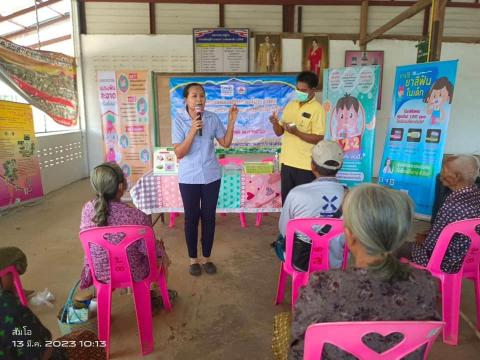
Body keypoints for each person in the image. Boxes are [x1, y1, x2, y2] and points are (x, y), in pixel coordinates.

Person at [287, 184, 439, 359]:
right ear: (400, 236)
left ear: (350, 236)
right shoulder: (424, 283)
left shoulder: (323, 285)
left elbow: (300, 350)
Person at [79, 162, 175, 306]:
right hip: (134, 274)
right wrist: (160, 248)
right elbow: (148, 251)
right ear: (120, 186)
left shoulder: (87, 209)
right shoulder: (136, 216)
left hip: (100, 273)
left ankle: (99, 303)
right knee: (158, 250)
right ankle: (150, 296)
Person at [172, 83, 238, 276]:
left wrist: (231, 121)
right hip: (189, 177)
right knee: (191, 219)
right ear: (186, 100)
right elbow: (179, 153)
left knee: (209, 218)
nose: (199, 99)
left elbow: (225, 143)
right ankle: (193, 259)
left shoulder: (212, 118)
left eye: (202, 96)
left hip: (211, 175)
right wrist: (193, 130)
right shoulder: (179, 121)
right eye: (194, 96)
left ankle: (207, 258)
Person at [274, 140, 346, 271]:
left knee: (279, 240)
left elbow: (284, 230)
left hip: (300, 262)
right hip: (335, 263)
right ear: (340, 166)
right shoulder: (350, 196)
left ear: (312, 166)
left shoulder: (296, 194)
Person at [400, 155, 480, 273]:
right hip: (470, 260)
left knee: (396, 247)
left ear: (456, 177)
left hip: (444, 262)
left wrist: (424, 239)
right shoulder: (476, 196)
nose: (440, 174)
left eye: (444, 169)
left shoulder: (452, 205)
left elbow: (430, 246)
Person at [270, 71, 326, 203]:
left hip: (306, 166)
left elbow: (319, 137)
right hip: (287, 163)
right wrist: (274, 123)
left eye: (303, 90)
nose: (299, 92)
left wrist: (297, 133)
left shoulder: (317, 109)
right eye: (297, 89)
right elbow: (279, 132)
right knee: (288, 203)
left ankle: (303, 224)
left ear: (313, 90)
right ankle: (288, 225)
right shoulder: (291, 105)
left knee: (305, 203)